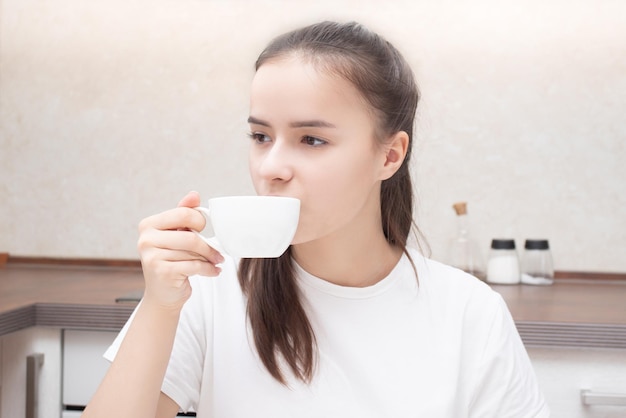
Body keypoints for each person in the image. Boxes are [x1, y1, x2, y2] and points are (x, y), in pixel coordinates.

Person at [83, 21, 549, 418]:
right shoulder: (207, 288)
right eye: (260, 136)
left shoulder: (469, 314)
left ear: (389, 155)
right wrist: (159, 308)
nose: (270, 167)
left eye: (312, 140)